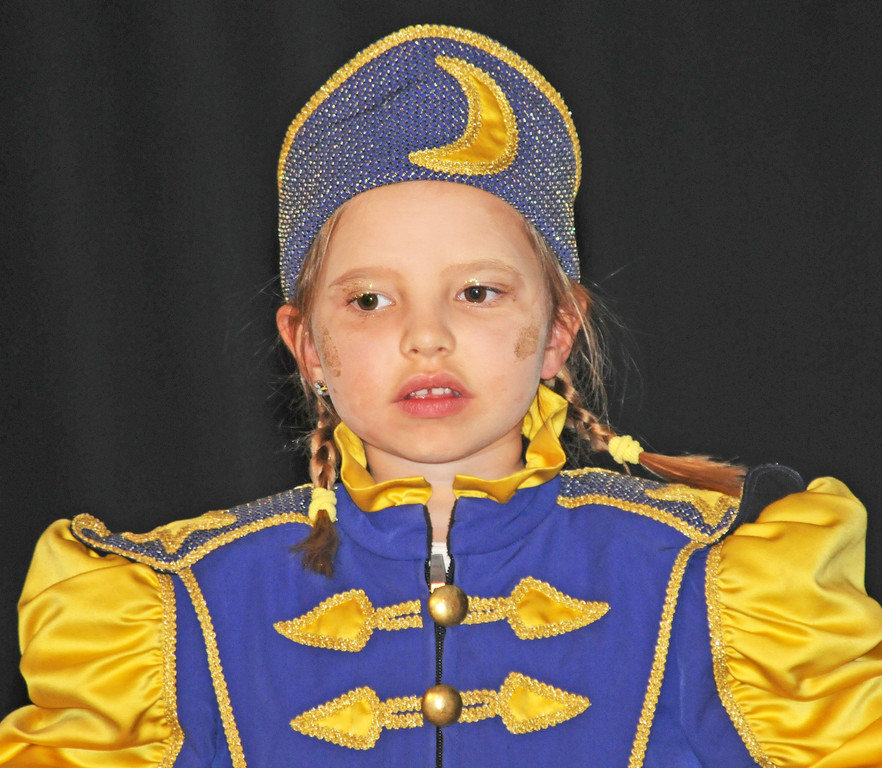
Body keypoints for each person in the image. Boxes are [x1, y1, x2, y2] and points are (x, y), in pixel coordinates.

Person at [1, 24, 880, 768]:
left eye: (477, 292)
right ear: (307, 346)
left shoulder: (717, 586)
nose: (426, 336)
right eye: (369, 301)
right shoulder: (170, 615)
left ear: (559, 329)